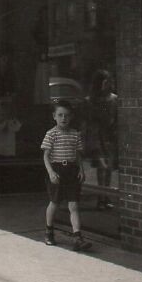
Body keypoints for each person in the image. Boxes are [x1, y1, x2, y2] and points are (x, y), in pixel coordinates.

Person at [41, 101, 92, 252]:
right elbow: (45, 156)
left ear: (71, 117)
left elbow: (77, 155)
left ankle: (77, 237)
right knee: (54, 202)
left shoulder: (75, 134)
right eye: (60, 115)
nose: (64, 118)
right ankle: (49, 232)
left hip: (71, 171)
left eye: (67, 115)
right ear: (54, 117)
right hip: (56, 170)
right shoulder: (51, 134)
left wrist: (81, 170)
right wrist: (51, 172)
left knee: (74, 205)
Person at [87, 69, 118, 204]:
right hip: (98, 137)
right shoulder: (91, 101)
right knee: (102, 167)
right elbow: (89, 120)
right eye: (105, 82)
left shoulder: (114, 99)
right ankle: (101, 197)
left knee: (108, 168)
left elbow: (115, 119)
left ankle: (105, 196)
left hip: (110, 136)